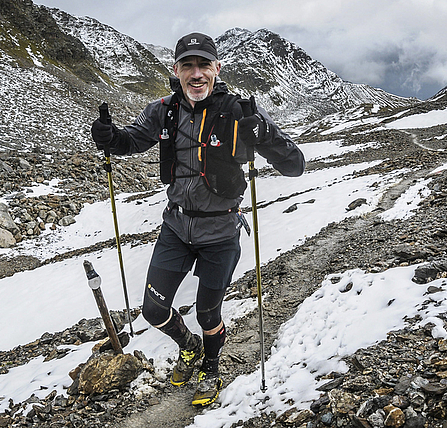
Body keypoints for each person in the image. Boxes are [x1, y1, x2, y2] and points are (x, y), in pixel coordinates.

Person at [91, 32, 304, 406]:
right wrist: (110, 138)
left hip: (220, 231)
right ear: (176, 70)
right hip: (175, 227)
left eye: (203, 64)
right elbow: (131, 141)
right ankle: (187, 346)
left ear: (216, 68)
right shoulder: (164, 109)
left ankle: (211, 364)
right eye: (187, 65)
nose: (196, 73)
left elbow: (295, 166)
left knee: (209, 314)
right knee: (153, 310)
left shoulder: (240, 110)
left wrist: (266, 133)